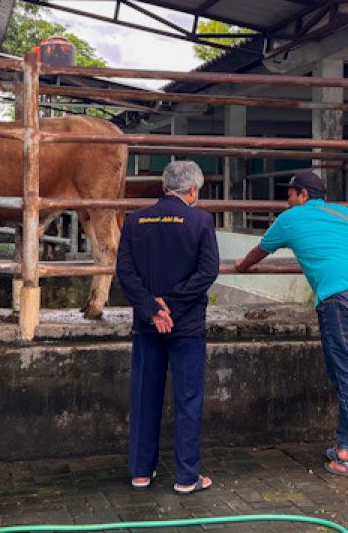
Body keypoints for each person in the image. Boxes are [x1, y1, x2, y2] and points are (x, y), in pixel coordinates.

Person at [235, 169, 348, 480]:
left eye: (290, 195)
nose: (287, 201)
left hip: (341, 302)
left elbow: (258, 252)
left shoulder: (291, 219)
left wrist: (240, 266)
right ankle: (344, 450)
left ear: (302, 195)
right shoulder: (345, 214)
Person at [116, 160, 220, 495]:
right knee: (187, 399)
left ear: (164, 187)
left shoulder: (134, 220)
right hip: (186, 325)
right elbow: (207, 272)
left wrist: (152, 309)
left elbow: (125, 272)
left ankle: (140, 472)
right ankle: (187, 477)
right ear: (192, 190)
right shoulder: (201, 220)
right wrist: (172, 307)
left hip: (147, 326)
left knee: (145, 396)